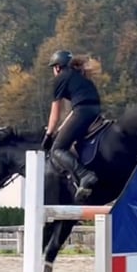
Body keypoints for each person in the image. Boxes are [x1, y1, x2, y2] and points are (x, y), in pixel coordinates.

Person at [43, 49, 100, 200]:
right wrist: (60, 130)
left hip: (83, 111)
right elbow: (74, 112)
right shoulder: (80, 76)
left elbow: (55, 113)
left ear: (57, 67)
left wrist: (49, 134)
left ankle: (84, 174)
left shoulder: (61, 78)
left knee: (57, 149)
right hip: (94, 110)